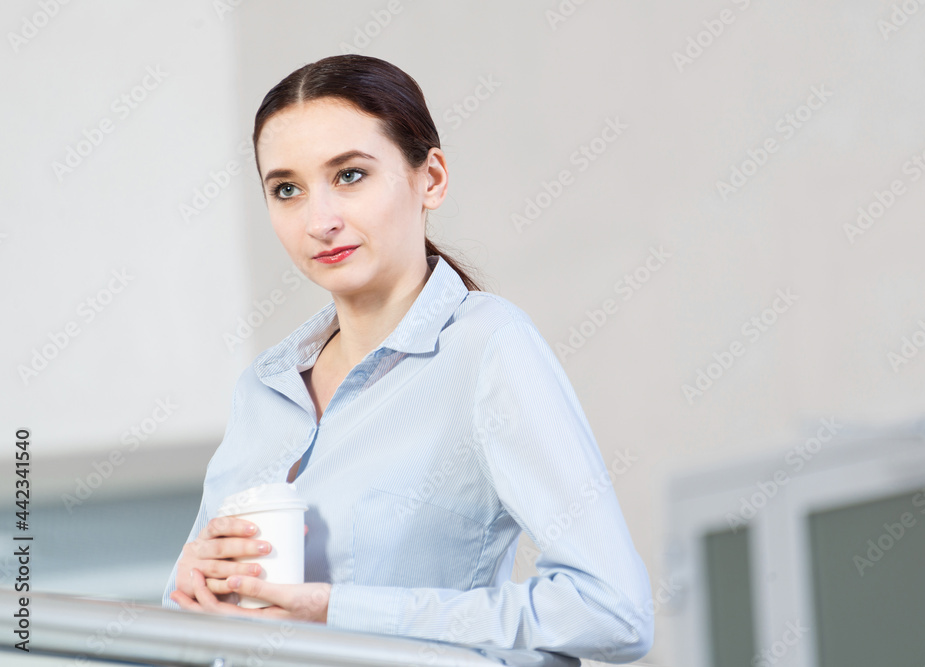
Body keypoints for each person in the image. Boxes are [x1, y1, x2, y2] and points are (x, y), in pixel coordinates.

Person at [161, 54, 653, 663]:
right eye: (287, 189)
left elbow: (610, 610)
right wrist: (185, 597)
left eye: (350, 176)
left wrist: (337, 610)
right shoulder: (263, 390)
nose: (320, 221)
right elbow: (203, 635)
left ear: (432, 179)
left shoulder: (485, 347)